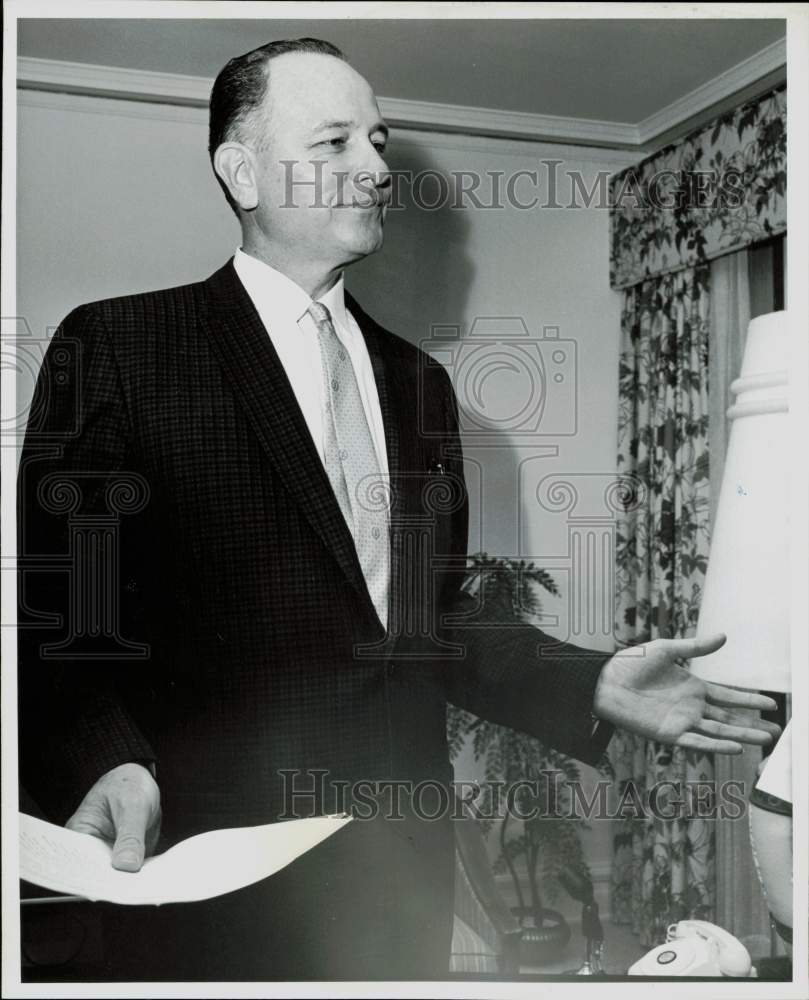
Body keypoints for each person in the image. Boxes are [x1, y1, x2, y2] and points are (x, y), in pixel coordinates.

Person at [17, 38, 779, 981]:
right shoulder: (121, 347)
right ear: (241, 169)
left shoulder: (419, 384)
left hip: (398, 867)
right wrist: (109, 761)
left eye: (377, 142)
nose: (377, 170)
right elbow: (68, 619)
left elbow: (429, 619)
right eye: (334, 142)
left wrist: (590, 680)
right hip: (198, 867)